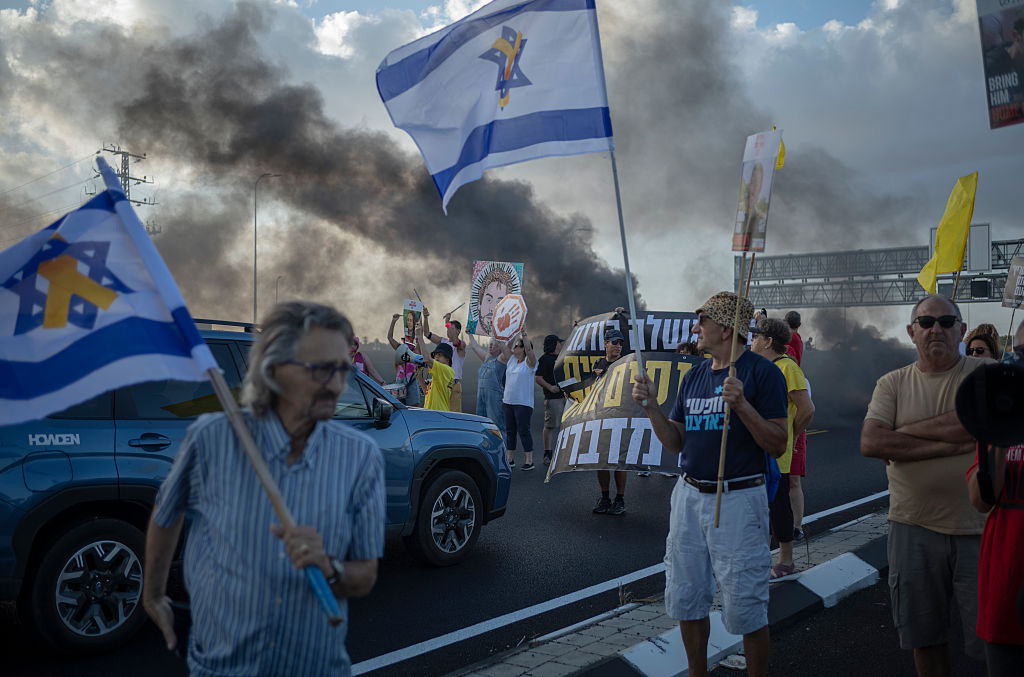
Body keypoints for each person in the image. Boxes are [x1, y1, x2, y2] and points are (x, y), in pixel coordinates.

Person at [142, 301, 385, 676]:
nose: (337, 385)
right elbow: (166, 513)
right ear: (273, 370)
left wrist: (330, 568)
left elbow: (367, 575)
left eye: (342, 369)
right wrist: (153, 595)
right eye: (321, 370)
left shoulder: (361, 456)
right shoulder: (211, 440)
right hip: (221, 668)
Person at [632, 291, 788, 677]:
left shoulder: (761, 373)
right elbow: (675, 443)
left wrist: (744, 407)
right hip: (688, 496)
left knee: (746, 605)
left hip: (738, 498)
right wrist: (652, 405)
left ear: (724, 327)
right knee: (687, 598)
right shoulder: (695, 375)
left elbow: (778, 442)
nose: (695, 328)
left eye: (702, 321)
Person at [860, 293, 989, 675]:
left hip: (980, 529)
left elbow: (967, 424)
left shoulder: (985, 376)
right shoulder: (892, 384)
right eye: (927, 322)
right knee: (924, 638)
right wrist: (952, 444)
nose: (937, 329)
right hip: (912, 528)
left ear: (961, 330)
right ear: (911, 332)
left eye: (947, 322)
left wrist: (902, 436)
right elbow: (871, 443)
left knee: (992, 642)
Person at [965, 321, 1024, 676]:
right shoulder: (1000, 418)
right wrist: (1001, 435)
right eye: (1020, 353)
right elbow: (981, 500)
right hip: (1006, 578)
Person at [750, 317, 814, 579]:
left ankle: (785, 560)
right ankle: (759, 558)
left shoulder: (788, 367)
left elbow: (807, 409)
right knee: (757, 507)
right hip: (755, 449)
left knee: (778, 507)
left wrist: (791, 433)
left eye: (756, 336)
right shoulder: (759, 367)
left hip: (776, 453)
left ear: (768, 341)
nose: (752, 340)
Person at [591, 326, 629, 515]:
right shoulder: (598, 363)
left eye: (620, 343)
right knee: (601, 461)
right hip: (601, 419)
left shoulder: (626, 362)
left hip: (620, 418)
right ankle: (605, 497)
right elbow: (591, 392)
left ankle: (620, 499)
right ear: (605, 343)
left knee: (619, 461)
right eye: (614, 342)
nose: (618, 346)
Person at [783, 310, 807, 539]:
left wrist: (795, 431)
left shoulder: (792, 343)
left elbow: (807, 409)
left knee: (792, 479)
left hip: (792, 426)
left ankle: (796, 526)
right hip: (780, 426)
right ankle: (785, 525)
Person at [503, 329, 538, 470]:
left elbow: (530, 351)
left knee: (524, 431)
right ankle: (510, 459)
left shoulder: (530, 363)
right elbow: (503, 346)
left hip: (523, 403)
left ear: (523, 349)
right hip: (508, 402)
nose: (515, 348)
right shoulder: (511, 360)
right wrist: (509, 331)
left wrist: (523, 334)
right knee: (510, 431)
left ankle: (529, 460)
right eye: (515, 346)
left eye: (518, 346)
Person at [467, 331, 509, 441]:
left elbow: (507, 348)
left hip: (494, 397)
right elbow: (475, 347)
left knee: (496, 424)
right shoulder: (486, 358)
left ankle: (503, 448)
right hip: (482, 397)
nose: (491, 346)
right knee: (481, 422)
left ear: (499, 347)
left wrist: (514, 332)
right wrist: (469, 334)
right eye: (490, 343)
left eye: (494, 344)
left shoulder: (501, 359)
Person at [423, 307, 467, 412]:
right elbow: (427, 334)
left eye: (451, 327)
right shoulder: (443, 341)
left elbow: (454, 338)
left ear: (458, 331)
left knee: (454, 416)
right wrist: (425, 317)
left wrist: (447, 321)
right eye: (447, 327)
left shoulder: (461, 345)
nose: (448, 329)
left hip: (453, 384)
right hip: (440, 383)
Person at [535, 334, 566, 466]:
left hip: (566, 396)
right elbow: (538, 377)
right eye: (559, 342)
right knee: (550, 426)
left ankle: (565, 452)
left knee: (566, 425)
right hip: (552, 398)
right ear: (554, 344)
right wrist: (550, 387)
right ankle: (547, 452)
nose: (561, 344)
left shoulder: (563, 357)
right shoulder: (545, 359)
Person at [470, 261, 520, 336]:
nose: (492, 308)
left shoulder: (507, 332)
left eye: (499, 302)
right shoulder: (471, 328)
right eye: (489, 300)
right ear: (479, 303)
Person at [417, 326, 455, 412]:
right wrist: (420, 377)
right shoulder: (440, 373)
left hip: (438, 414)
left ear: (448, 359)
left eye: (440, 355)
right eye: (435, 355)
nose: (436, 357)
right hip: (433, 414)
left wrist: (419, 336)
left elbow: (427, 359)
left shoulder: (446, 370)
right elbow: (427, 392)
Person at [388, 313, 421, 406]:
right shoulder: (401, 348)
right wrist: (393, 321)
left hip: (412, 380)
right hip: (400, 380)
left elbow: (419, 350)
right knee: (399, 407)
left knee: (413, 408)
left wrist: (419, 329)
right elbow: (390, 338)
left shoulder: (416, 348)